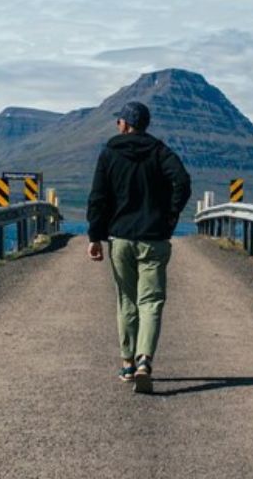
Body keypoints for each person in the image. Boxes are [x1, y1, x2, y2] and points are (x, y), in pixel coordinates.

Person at [86, 100, 191, 394]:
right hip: (154, 239)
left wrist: (95, 236)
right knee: (151, 301)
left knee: (127, 302)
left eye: (118, 120)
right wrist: (169, 217)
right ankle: (145, 360)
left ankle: (127, 364)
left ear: (125, 124)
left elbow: (98, 197)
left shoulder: (109, 153)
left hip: (119, 238)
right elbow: (182, 182)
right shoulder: (159, 151)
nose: (117, 125)